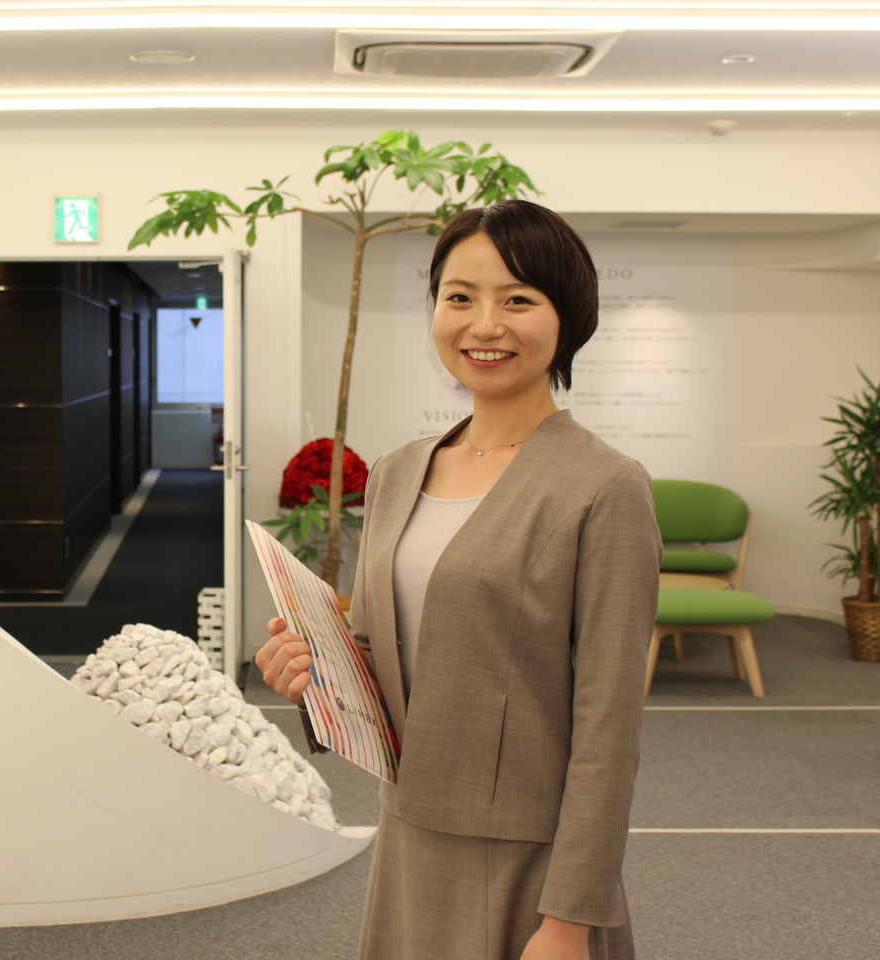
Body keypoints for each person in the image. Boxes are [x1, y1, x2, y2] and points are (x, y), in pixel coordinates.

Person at [256, 200, 662, 960]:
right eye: (460, 297)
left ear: (568, 317)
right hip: (408, 834)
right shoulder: (399, 470)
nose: (485, 324)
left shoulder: (604, 486)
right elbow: (377, 653)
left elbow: (610, 727)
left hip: (527, 862)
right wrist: (310, 673)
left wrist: (570, 920)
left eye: (518, 300)